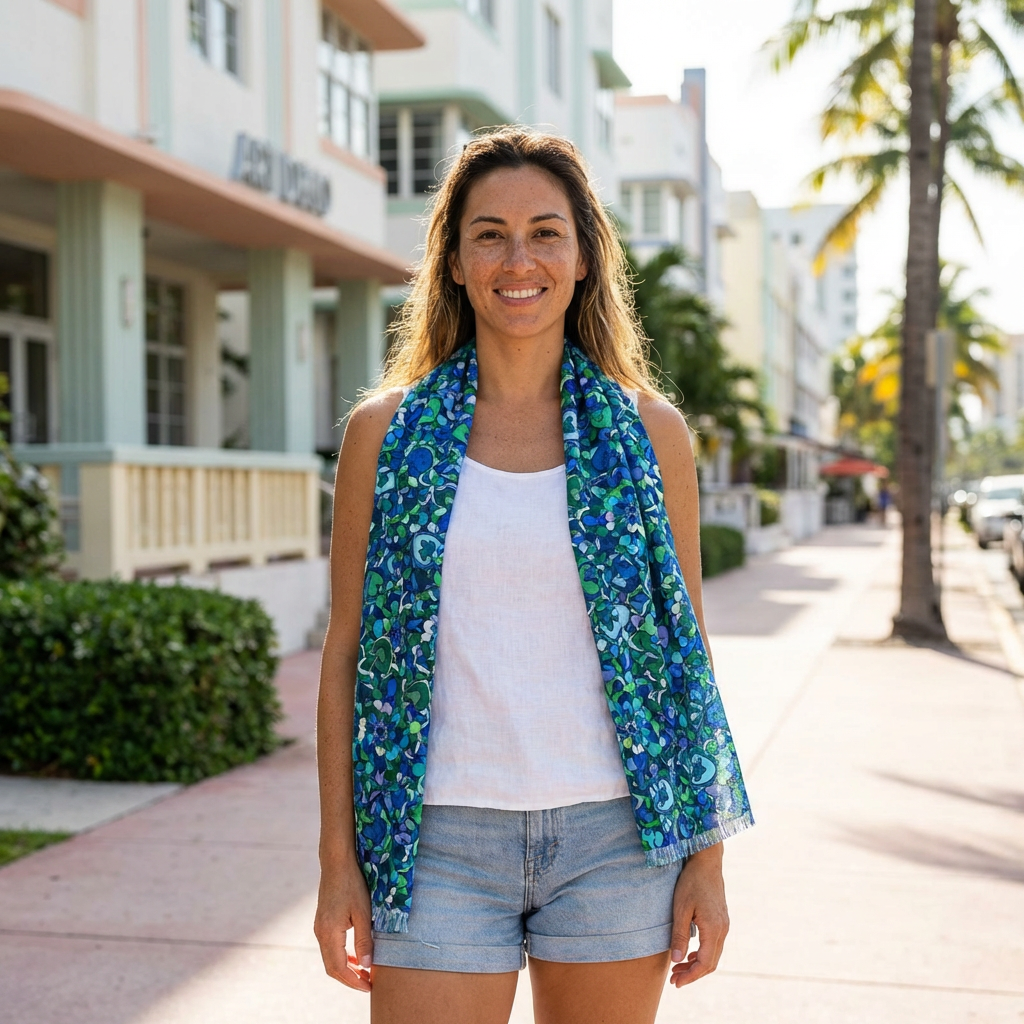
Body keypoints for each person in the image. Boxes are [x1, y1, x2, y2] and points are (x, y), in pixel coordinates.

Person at [314, 127, 753, 1024]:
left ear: (585, 257)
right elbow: (346, 651)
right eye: (490, 234)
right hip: (430, 839)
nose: (520, 258)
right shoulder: (385, 433)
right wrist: (335, 860)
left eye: (546, 232)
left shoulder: (649, 432)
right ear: (456, 262)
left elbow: (685, 657)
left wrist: (706, 857)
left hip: (617, 840)